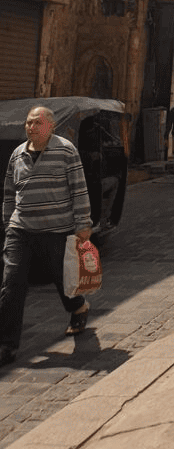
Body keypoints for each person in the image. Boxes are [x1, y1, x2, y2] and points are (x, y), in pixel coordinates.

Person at [0, 105, 93, 368]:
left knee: (60, 277)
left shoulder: (65, 150)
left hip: (56, 228)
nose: (31, 127)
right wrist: (8, 223)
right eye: (28, 123)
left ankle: (78, 307)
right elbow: (9, 192)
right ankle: (7, 345)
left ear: (50, 126)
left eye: (37, 123)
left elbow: (78, 188)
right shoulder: (17, 154)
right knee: (12, 283)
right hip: (21, 229)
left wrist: (83, 223)